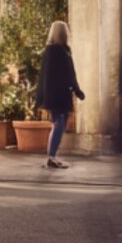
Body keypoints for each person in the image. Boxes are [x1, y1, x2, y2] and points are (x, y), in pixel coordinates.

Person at [35, 20, 85, 170]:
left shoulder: (50, 51)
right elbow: (69, 74)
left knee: (59, 123)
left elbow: (44, 76)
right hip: (59, 95)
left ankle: (52, 156)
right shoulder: (60, 52)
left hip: (53, 94)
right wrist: (77, 90)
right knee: (59, 123)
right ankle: (51, 157)